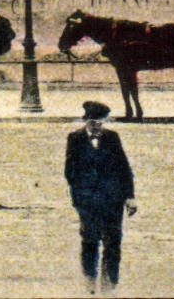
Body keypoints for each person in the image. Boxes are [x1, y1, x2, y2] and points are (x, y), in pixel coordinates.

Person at [64, 100, 137, 295]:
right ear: (86, 121)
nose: (97, 127)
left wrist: (129, 197)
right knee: (89, 241)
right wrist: (79, 200)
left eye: (100, 122)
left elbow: (124, 168)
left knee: (113, 243)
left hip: (113, 201)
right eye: (93, 122)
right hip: (87, 203)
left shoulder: (112, 138)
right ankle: (90, 283)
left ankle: (110, 286)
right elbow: (70, 173)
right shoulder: (75, 139)